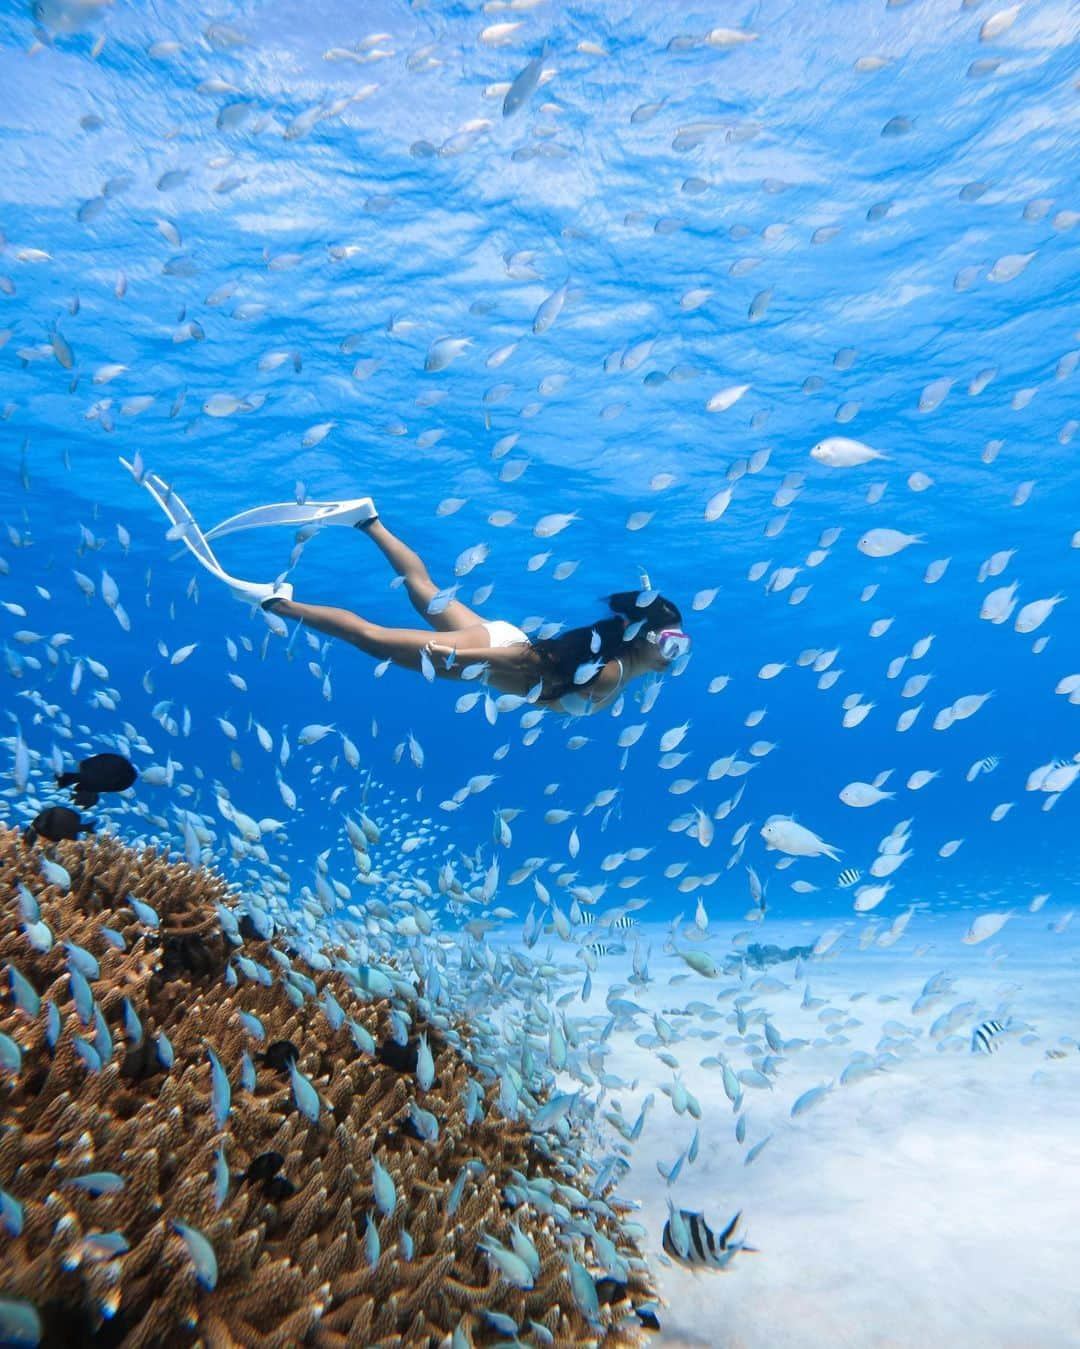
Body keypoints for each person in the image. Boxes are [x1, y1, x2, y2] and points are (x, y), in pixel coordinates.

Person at [126, 466, 691, 715]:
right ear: (643, 639)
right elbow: (531, 676)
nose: (674, 653)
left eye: (679, 646)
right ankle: (279, 601)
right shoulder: (614, 672)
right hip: (497, 658)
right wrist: (458, 656)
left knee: (424, 593)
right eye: (670, 641)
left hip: (509, 643)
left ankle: (367, 520)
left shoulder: (612, 662)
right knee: (373, 639)